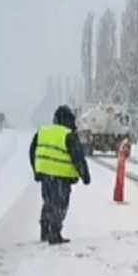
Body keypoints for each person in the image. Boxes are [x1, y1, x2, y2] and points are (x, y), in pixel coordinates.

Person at [29, 105, 91, 245]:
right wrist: (85, 176)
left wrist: (36, 171)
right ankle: (55, 234)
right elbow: (78, 158)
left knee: (48, 202)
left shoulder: (42, 132)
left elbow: (32, 152)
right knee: (60, 205)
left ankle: (44, 231)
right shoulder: (68, 134)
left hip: (45, 175)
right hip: (61, 177)